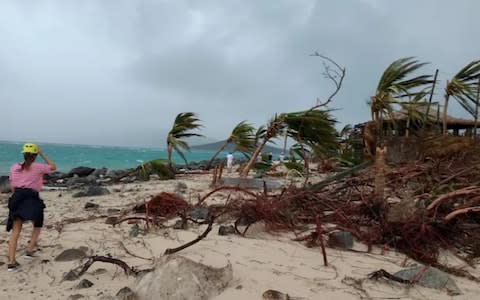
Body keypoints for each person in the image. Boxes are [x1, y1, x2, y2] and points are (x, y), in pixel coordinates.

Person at [7, 143, 56, 271]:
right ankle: (29, 250)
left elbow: (12, 186)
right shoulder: (38, 167)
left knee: (15, 231)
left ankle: (11, 262)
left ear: (23, 154)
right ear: (34, 156)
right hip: (31, 198)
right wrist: (42, 153)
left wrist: (15, 199)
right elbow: (53, 167)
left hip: (17, 197)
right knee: (37, 224)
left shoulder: (14, 167)